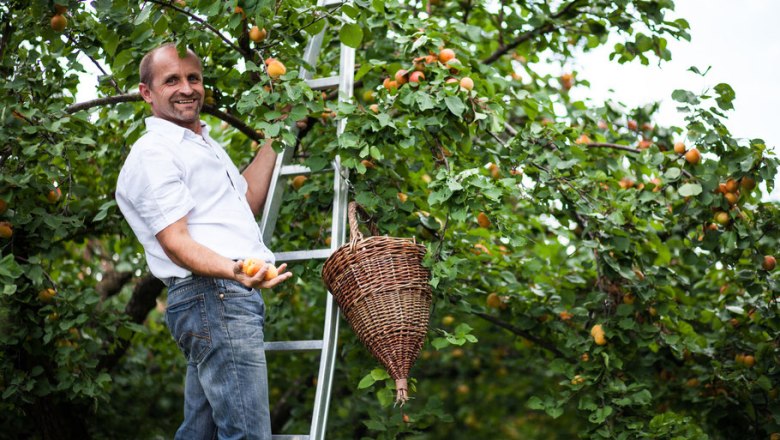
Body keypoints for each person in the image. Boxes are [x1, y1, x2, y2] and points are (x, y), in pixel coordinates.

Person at [115, 43, 291, 440]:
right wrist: (236, 271)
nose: (187, 88)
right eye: (171, 80)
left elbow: (246, 202)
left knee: (200, 432)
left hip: (219, 298)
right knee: (246, 435)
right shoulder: (155, 153)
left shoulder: (204, 145)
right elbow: (176, 242)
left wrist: (278, 133)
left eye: (193, 78)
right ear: (147, 93)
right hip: (216, 294)